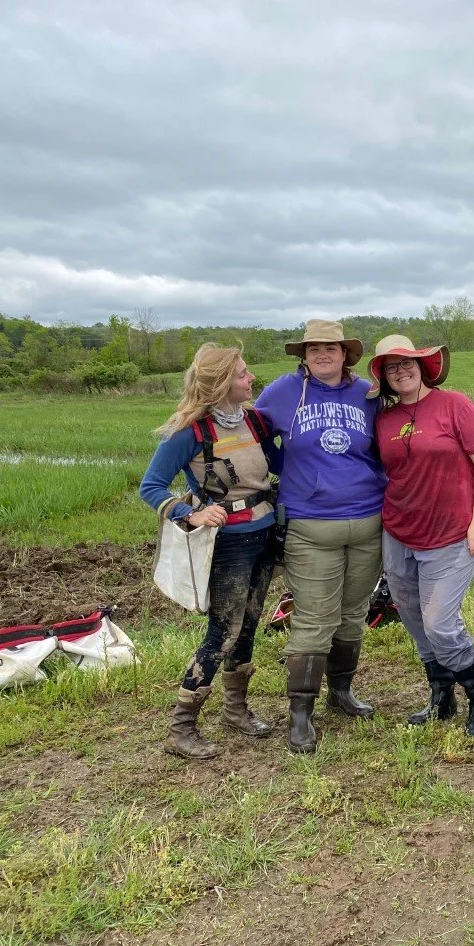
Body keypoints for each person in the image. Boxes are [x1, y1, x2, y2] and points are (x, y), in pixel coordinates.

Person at [140, 344, 281, 760]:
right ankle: (180, 729)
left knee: (250, 624)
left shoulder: (255, 422)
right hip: (229, 545)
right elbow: (150, 486)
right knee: (223, 633)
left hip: (265, 534)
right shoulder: (190, 432)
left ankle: (236, 711)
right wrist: (191, 514)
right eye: (242, 374)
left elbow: (283, 464)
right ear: (220, 384)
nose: (251, 378)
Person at [255, 319, 386, 754]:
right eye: (313, 349)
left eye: (330, 348)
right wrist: (284, 459)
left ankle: (341, 692)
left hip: (368, 523)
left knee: (353, 612)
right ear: (303, 355)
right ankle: (300, 713)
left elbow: (385, 445)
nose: (322, 355)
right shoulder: (280, 393)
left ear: (345, 353)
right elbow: (252, 436)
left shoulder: (367, 393)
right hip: (311, 527)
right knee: (315, 618)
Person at [370, 334, 474, 737]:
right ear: (384, 377)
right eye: (391, 367)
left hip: (450, 534)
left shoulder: (454, 405)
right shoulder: (385, 420)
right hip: (399, 532)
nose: (401, 371)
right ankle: (440, 694)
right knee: (410, 615)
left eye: (406, 363)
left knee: (440, 623)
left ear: (422, 366)